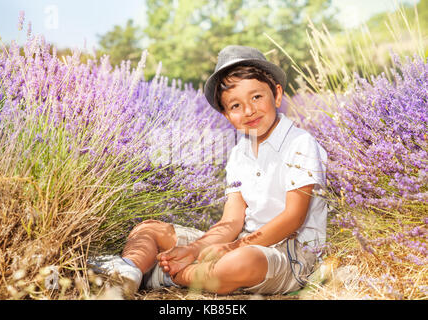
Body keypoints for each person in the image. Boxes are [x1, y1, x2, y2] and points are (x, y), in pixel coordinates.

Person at [88, 45, 327, 296]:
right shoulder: (239, 154)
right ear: (226, 116)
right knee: (147, 230)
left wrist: (233, 248)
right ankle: (128, 272)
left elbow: (293, 217)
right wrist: (195, 249)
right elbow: (231, 221)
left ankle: (170, 275)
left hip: (291, 254)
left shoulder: (300, 143)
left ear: (277, 95)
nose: (249, 110)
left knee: (239, 263)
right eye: (235, 105)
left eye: (257, 97)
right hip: (242, 241)